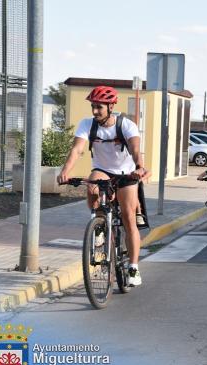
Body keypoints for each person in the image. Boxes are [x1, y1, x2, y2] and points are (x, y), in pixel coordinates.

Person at [57, 86, 149, 286]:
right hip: (103, 170)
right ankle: (99, 226)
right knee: (91, 187)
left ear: (111, 106)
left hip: (127, 173)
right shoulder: (87, 125)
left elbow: (134, 149)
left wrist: (140, 167)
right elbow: (77, 150)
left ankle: (133, 268)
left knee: (127, 217)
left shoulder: (126, 125)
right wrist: (65, 171)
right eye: (93, 106)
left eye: (99, 107)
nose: (95, 111)